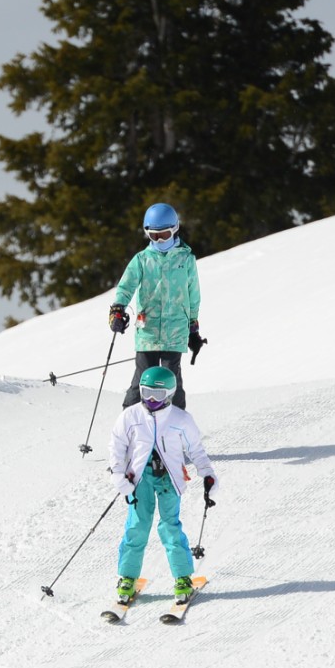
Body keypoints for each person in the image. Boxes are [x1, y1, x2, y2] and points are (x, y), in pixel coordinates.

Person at [107, 363, 215, 611]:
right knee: (137, 526)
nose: (151, 400)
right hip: (140, 479)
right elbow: (117, 445)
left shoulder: (180, 419)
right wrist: (117, 474)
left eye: (157, 395)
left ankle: (182, 578)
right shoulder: (131, 416)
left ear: (169, 394)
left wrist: (207, 475)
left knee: (170, 527)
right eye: (146, 394)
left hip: (169, 479)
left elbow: (196, 450)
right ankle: (127, 578)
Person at [110, 201, 204, 410]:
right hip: (148, 332)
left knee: (171, 382)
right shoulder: (142, 260)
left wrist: (193, 327)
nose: (159, 240)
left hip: (175, 331)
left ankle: (177, 428)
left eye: (164, 235)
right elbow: (126, 286)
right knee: (142, 381)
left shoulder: (186, 259)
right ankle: (129, 425)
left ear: (175, 229)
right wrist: (117, 309)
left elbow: (193, 294)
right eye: (154, 236)